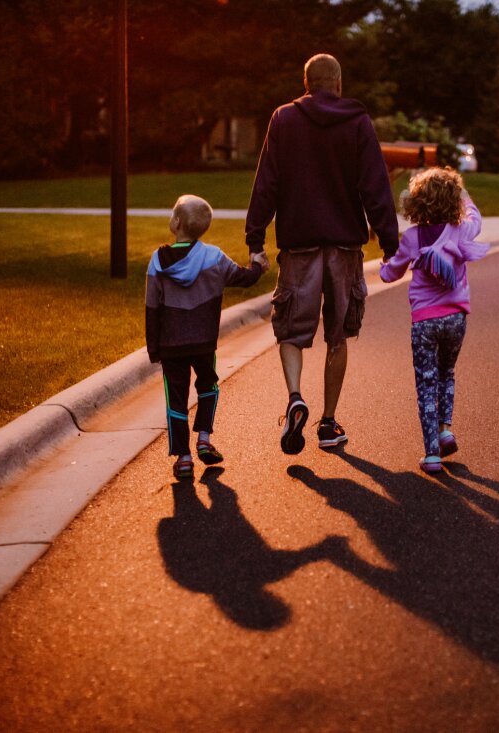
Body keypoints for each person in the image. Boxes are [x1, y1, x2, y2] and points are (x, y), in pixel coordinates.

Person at [246, 53, 399, 455]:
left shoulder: (284, 119)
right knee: (338, 335)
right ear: (339, 83)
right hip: (345, 247)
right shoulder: (358, 122)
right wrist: (389, 242)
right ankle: (328, 423)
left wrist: (255, 238)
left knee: (291, 332)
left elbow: (267, 182)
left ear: (306, 82)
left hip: (300, 245)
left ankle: (296, 397)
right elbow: (375, 186)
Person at [146, 195, 267, 479]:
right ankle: (203, 438)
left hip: (171, 346)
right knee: (208, 386)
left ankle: (184, 457)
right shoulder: (213, 257)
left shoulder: (157, 261)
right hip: (202, 343)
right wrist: (258, 265)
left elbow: (151, 308)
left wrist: (154, 348)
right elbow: (244, 278)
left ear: (176, 223)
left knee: (175, 399)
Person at [379, 167, 489, 473]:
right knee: (446, 373)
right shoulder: (461, 230)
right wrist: (463, 195)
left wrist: (383, 266)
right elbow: (475, 217)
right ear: (453, 201)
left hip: (424, 323)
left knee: (426, 383)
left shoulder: (412, 237)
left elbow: (391, 273)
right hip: (456, 318)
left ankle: (431, 454)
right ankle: (445, 430)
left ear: (417, 203)